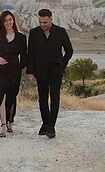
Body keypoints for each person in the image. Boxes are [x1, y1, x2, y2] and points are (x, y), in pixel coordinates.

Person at [26, 8, 73, 138]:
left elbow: (69, 50)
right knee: (42, 98)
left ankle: (51, 126)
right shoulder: (34, 33)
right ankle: (45, 123)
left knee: (55, 98)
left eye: (45, 22)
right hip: (40, 70)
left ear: (51, 19)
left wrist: (62, 64)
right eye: (40, 22)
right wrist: (30, 72)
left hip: (55, 70)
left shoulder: (60, 32)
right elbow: (30, 54)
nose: (42, 25)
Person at [0, 10, 27, 137]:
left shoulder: (21, 37)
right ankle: (3, 126)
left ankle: (10, 121)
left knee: (12, 96)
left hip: (14, 71)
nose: (8, 22)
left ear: (13, 20)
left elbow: (24, 56)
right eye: (5, 20)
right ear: (2, 22)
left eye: (10, 19)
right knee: (1, 96)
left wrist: (20, 68)